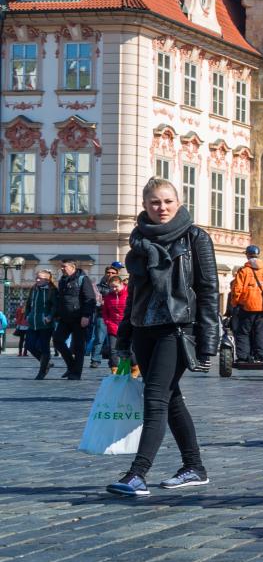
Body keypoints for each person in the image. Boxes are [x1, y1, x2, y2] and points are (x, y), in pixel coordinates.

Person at [106, 176, 218, 496]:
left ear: (179, 203)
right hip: (144, 329)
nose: (162, 207)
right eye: (155, 202)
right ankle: (194, 467)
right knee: (171, 400)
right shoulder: (139, 240)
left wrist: (209, 341)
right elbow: (134, 297)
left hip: (178, 329)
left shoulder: (196, 238)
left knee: (155, 397)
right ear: (144, 206)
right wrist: (123, 340)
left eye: (168, 201)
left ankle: (138, 474)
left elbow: (208, 291)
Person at [227, 246, 263, 367]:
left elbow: (237, 290)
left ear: (248, 255)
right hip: (262, 308)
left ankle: (243, 357)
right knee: (261, 332)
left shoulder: (244, 271)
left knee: (243, 332)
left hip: (246, 307)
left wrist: (234, 304)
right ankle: (259, 356)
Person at [51, 256, 98, 380]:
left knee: (78, 347)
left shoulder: (83, 279)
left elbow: (90, 299)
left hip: (79, 318)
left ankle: (76, 373)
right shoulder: (62, 280)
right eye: (61, 266)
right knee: (57, 340)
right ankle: (71, 365)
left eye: (64, 266)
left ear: (72, 267)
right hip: (65, 318)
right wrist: (57, 314)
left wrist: (86, 316)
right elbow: (60, 299)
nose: (61, 268)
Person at [23, 269, 57, 377]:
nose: (37, 279)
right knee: (29, 345)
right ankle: (46, 363)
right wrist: (27, 316)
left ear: (47, 280)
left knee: (44, 347)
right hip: (33, 322)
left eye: (40, 278)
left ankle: (42, 372)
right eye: (36, 277)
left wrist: (50, 317)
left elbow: (55, 306)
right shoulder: (34, 289)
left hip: (45, 324)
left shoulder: (52, 290)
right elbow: (28, 304)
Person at [97, 268, 127, 367]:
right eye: (111, 287)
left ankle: (132, 367)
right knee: (113, 349)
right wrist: (107, 322)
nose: (114, 289)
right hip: (112, 325)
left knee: (128, 348)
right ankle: (114, 369)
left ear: (122, 284)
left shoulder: (129, 294)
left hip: (126, 325)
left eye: (116, 287)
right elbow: (105, 311)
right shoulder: (109, 296)